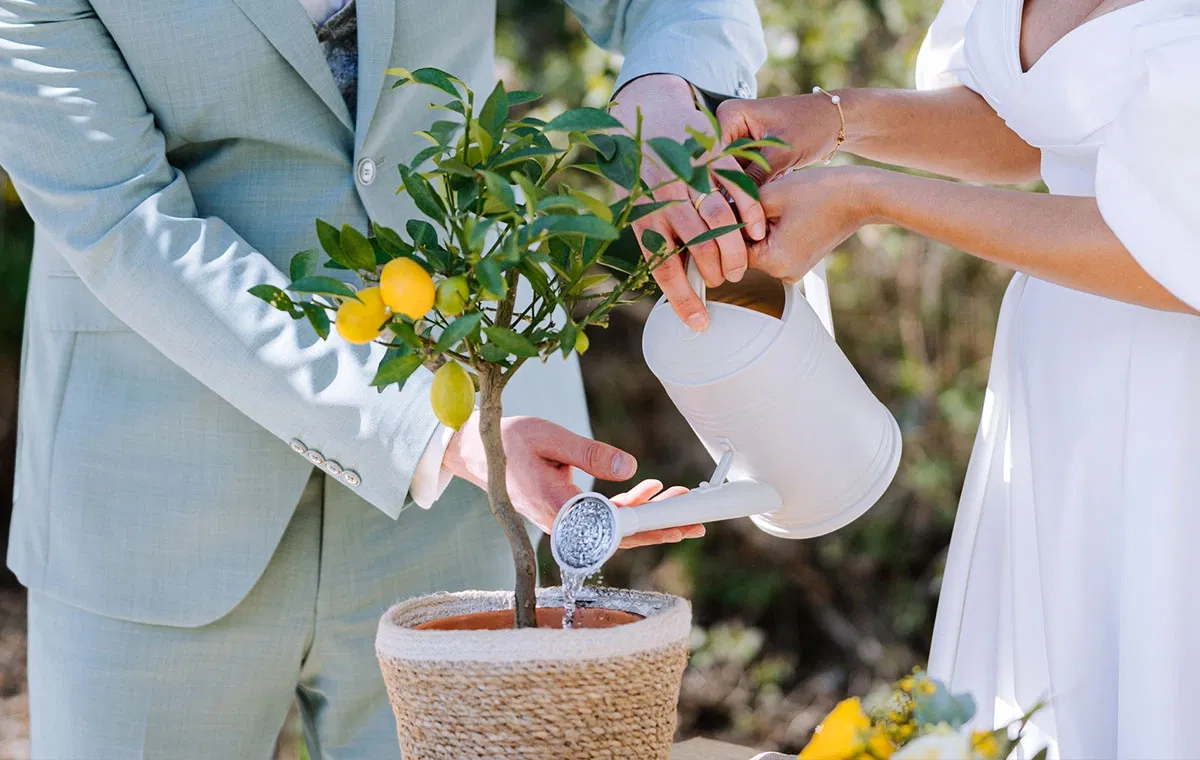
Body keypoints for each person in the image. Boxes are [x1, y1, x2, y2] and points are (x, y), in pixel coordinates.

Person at [0, 0, 766, 756]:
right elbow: (125, 221)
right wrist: (433, 432)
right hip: (154, 490)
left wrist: (672, 91)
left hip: (476, 486)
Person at [713, 2, 1200, 757]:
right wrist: (833, 120)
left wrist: (873, 198)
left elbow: (1169, 249)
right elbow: (1031, 129)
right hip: (1063, 396)